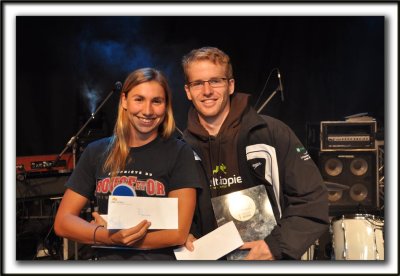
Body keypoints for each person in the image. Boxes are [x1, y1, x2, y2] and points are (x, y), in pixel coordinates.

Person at [181, 47, 329, 260]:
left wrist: (276, 246)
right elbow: (176, 213)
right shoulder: (181, 148)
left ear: (230, 85)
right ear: (188, 90)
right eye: (198, 83)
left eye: (215, 81)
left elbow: (312, 199)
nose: (207, 91)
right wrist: (184, 235)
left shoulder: (273, 133)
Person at [54, 67, 201, 260]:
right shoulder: (96, 151)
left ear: (166, 106)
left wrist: (117, 238)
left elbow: (178, 233)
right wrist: (105, 236)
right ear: (124, 100)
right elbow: (63, 222)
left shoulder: (179, 152)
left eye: (156, 101)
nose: (147, 111)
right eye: (139, 99)